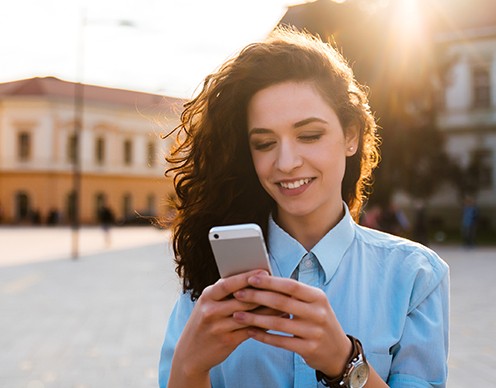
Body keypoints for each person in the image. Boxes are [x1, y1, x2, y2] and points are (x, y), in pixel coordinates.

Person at [159, 28, 449, 387]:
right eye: (264, 143)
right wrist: (189, 367)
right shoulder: (213, 276)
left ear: (351, 135)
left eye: (309, 135)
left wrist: (345, 362)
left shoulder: (415, 276)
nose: (286, 162)